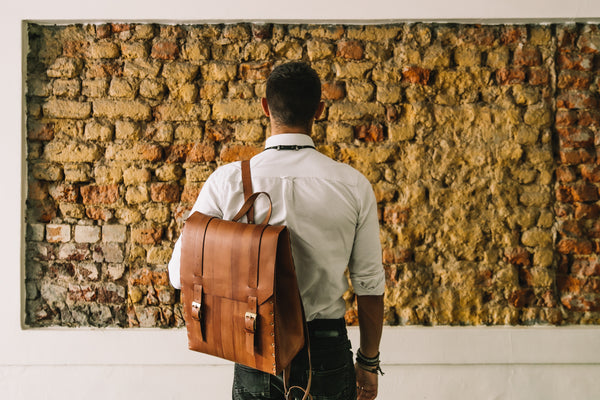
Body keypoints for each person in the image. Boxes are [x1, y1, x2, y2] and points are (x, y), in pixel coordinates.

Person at [168, 61, 385, 400]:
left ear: (265, 107)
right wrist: (368, 365)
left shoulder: (226, 182)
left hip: (254, 341)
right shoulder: (353, 185)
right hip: (326, 350)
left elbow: (179, 275)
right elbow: (370, 285)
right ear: (319, 110)